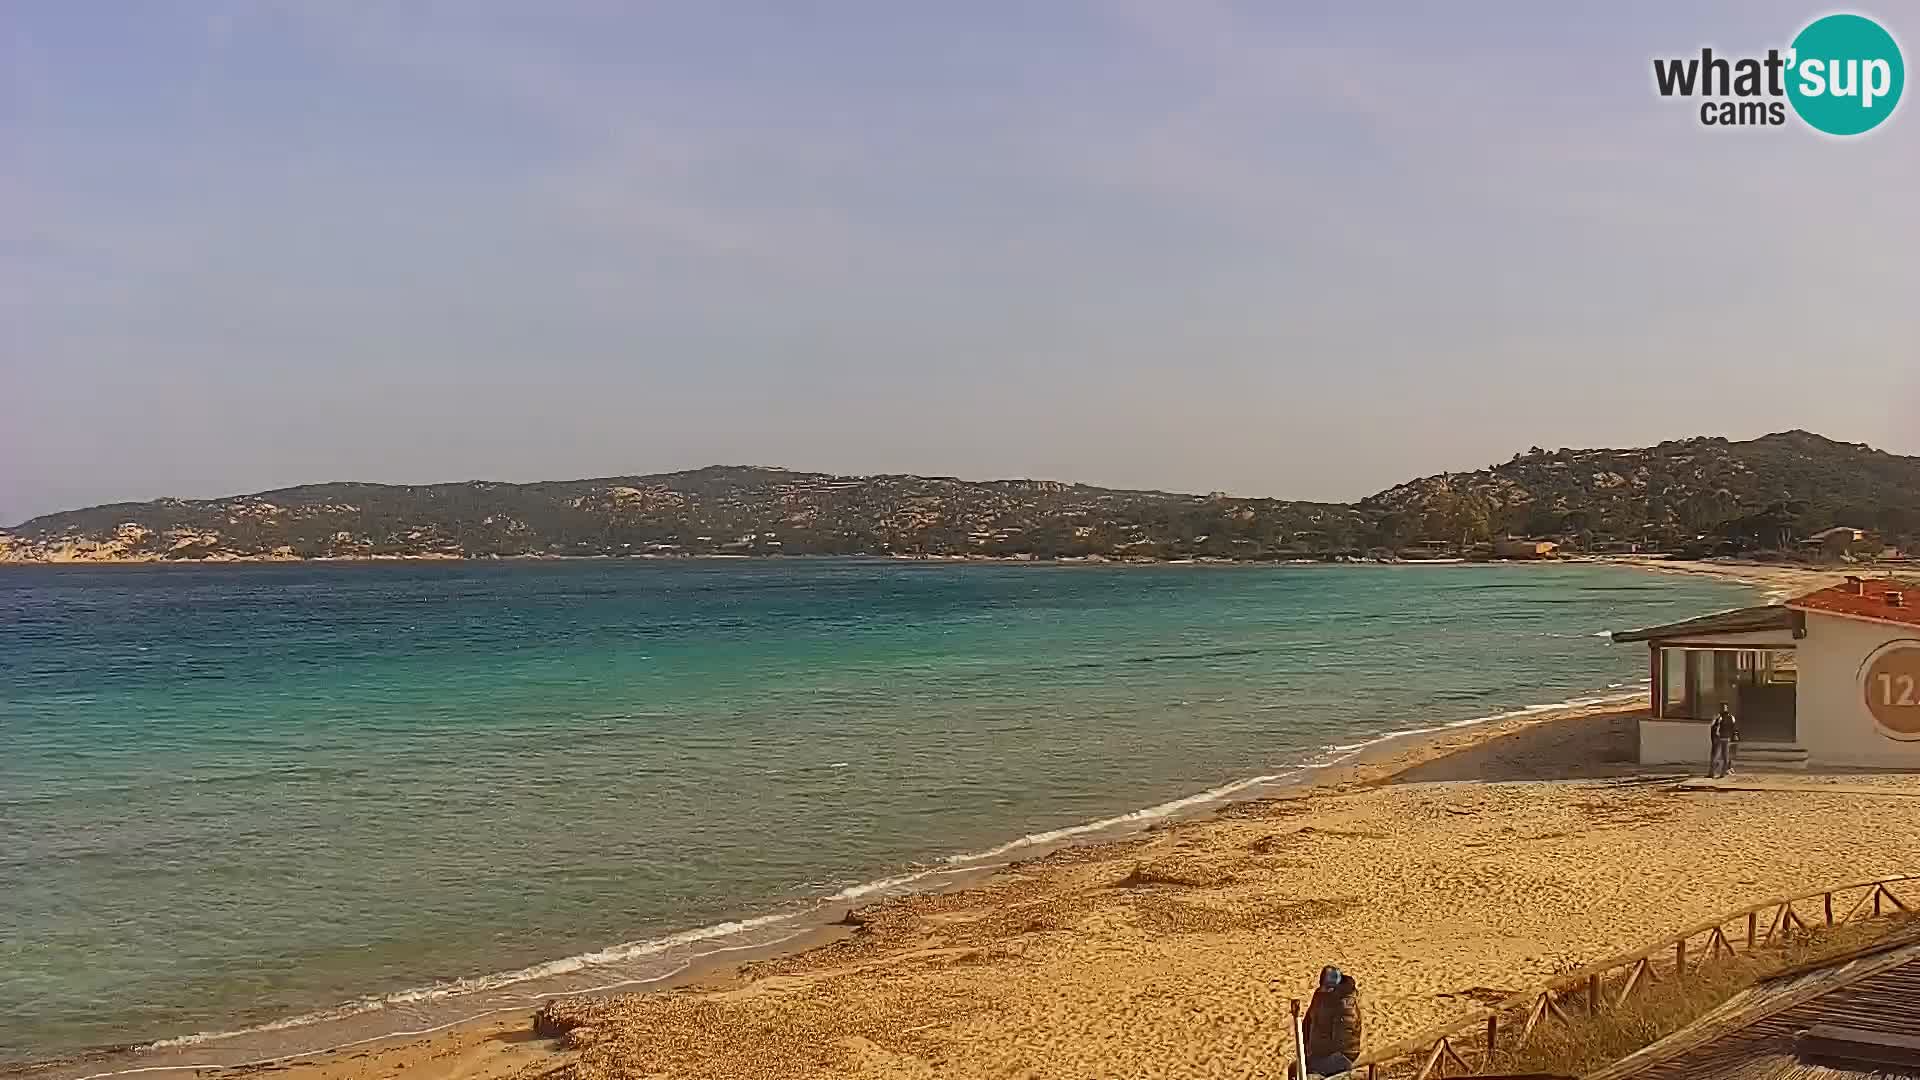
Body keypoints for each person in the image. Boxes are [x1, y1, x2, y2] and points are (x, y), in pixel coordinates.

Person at [1302, 965, 1362, 1077]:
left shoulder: (1345, 1005)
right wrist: (1305, 1048)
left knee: (1310, 1073)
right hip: (1319, 1053)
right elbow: (1308, 1022)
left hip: (1342, 1055)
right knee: (1296, 1068)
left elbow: (1341, 1042)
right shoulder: (1320, 995)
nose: (1323, 989)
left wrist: (1314, 1058)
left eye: (1327, 987)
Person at [1709, 703, 1739, 778]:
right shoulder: (1727, 717)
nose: (1723, 709)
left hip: (1722, 738)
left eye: (1724, 707)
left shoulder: (1721, 717)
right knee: (1721, 756)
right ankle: (1717, 773)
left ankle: (1716, 773)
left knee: (1718, 756)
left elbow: (1713, 728)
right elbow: (1734, 728)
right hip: (1723, 738)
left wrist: (1734, 736)